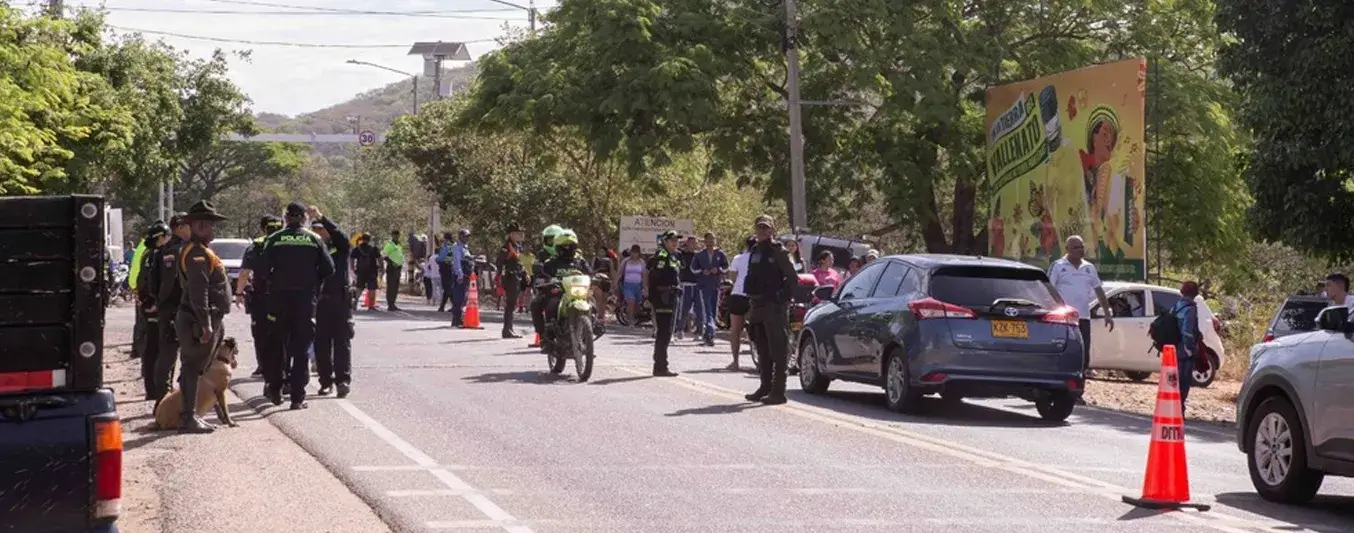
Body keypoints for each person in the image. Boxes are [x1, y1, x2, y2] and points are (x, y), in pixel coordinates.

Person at [254, 202, 335, 409]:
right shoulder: (314, 239)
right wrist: (312, 280)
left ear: (286, 218)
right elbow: (329, 268)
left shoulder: (274, 238)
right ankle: (297, 398)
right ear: (304, 219)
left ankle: (275, 391)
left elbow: (261, 269)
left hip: (279, 301)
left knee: (277, 346)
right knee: (301, 349)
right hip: (305, 302)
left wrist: (276, 280)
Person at [172, 201, 232, 433]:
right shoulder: (197, 253)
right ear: (198, 225)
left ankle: (191, 414)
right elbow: (199, 291)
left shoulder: (201, 250)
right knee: (191, 367)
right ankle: (187, 417)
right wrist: (206, 324)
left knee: (195, 368)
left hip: (203, 317)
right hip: (197, 320)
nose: (211, 229)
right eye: (207, 225)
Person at [743, 215, 799, 404]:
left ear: (772, 230)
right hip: (757, 305)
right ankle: (765, 387)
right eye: (760, 228)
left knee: (778, 348)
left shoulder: (779, 251)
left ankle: (778, 391)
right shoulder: (755, 250)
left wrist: (782, 298)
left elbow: (792, 278)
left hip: (774, 306)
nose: (762, 231)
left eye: (766, 228)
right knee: (762, 348)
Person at [1047, 235, 1114, 377]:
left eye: (1081, 247)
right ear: (1067, 249)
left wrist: (1107, 313)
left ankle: (1080, 383)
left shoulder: (1089, 268)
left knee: (1083, 353)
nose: (1080, 250)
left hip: (1083, 317)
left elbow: (1099, 291)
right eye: (1076, 247)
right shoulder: (1058, 266)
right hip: (1063, 318)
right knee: (1063, 350)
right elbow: (1049, 291)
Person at [309, 206, 353, 398]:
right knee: (321, 344)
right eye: (315, 230)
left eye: (322, 229)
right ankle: (325, 382)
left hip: (340, 301)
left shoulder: (340, 248)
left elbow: (340, 236)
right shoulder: (312, 251)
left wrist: (321, 217)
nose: (319, 233)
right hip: (319, 302)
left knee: (342, 342)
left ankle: (343, 381)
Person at [236, 215, 284, 378]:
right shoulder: (287, 242)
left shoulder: (256, 245)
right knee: (282, 331)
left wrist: (239, 293)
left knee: (260, 332)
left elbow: (244, 272)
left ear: (264, 229)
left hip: (261, 295)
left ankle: (263, 366)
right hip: (284, 295)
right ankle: (282, 367)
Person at [150, 214, 191, 405]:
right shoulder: (176, 250)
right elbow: (168, 282)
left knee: (171, 354)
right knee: (170, 355)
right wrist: (163, 302)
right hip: (175, 308)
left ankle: (169, 397)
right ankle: (164, 400)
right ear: (180, 227)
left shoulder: (166, 248)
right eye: (189, 225)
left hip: (172, 308)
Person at [530, 229, 593, 350]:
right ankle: (545, 337)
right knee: (538, 303)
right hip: (559, 292)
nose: (568, 249)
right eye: (565, 246)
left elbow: (589, 273)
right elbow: (542, 276)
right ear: (558, 247)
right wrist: (545, 281)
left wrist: (598, 278)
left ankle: (590, 333)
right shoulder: (551, 262)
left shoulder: (580, 261)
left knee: (592, 303)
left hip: (578, 293)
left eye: (571, 246)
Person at [136, 221, 171, 400]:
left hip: (147, 306)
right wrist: (155, 302)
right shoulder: (159, 255)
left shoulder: (146, 254)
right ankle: (159, 390)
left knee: (151, 348)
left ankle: (151, 389)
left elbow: (140, 279)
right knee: (161, 350)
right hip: (155, 307)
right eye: (167, 237)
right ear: (160, 238)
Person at [645, 231, 683, 377]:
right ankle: (660, 366)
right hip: (663, 297)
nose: (675, 243)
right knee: (664, 332)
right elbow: (656, 277)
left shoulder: (673, 256)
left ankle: (661, 365)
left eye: (676, 240)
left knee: (666, 332)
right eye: (672, 240)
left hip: (670, 296)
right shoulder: (662, 256)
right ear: (665, 241)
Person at [528, 225, 565, 347]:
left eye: (555, 240)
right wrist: (542, 278)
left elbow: (583, 266)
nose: (552, 242)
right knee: (535, 304)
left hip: (570, 288)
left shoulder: (570, 252)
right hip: (550, 287)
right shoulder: (542, 254)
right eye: (550, 240)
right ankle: (543, 336)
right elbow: (537, 271)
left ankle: (586, 338)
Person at [690, 232, 729, 347]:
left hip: (716, 286)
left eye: (713, 239)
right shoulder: (699, 255)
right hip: (703, 286)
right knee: (707, 310)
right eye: (709, 239)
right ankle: (710, 334)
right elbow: (693, 269)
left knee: (713, 310)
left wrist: (719, 270)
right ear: (705, 241)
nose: (711, 241)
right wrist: (703, 271)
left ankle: (708, 335)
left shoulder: (720, 254)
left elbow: (726, 267)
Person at [724, 236, 755, 371]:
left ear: (746, 246)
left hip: (738, 295)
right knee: (758, 328)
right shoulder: (762, 259)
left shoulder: (738, 258)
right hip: (754, 296)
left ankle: (735, 362)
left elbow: (732, 279)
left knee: (735, 330)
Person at [1172, 281, 1202, 414]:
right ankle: (1179, 409)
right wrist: (1191, 349)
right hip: (1185, 351)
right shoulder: (1190, 309)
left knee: (1174, 381)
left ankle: (1174, 407)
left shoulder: (1177, 305)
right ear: (1195, 293)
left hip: (1174, 349)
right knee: (1184, 382)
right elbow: (1187, 332)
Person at [497, 225, 526, 338]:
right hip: (510, 277)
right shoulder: (506, 247)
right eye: (518, 233)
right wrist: (501, 276)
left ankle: (510, 328)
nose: (520, 235)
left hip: (516, 276)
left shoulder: (517, 246)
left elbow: (519, 262)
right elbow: (500, 262)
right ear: (511, 234)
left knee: (513, 304)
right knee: (510, 304)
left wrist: (525, 273)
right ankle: (506, 330)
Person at [351, 234, 380, 310]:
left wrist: (352, 268)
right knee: (372, 288)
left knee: (359, 287)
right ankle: (371, 306)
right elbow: (379, 258)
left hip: (361, 271)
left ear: (362, 239)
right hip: (372, 271)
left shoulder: (357, 249)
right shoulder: (373, 249)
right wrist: (382, 268)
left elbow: (352, 258)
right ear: (369, 240)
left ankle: (355, 302)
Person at [451, 229, 473, 327]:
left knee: (464, 297)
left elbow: (467, 258)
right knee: (458, 298)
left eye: (468, 236)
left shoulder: (465, 247)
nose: (466, 238)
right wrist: (460, 274)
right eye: (464, 236)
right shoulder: (457, 247)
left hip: (466, 275)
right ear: (460, 236)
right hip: (460, 275)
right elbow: (457, 261)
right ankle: (456, 320)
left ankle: (459, 319)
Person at [619, 244, 646, 324]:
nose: (634, 254)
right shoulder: (626, 261)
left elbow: (644, 275)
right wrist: (615, 283)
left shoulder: (641, 262)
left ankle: (636, 317)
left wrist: (645, 286)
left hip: (638, 285)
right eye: (633, 252)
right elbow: (620, 273)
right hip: (627, 285)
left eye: (636, 252)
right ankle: (630, 322)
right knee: (631, 302)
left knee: (637, 304)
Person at [382, 230, 404, 311]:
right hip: (391, 268)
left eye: (397, 235)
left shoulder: (399, 244)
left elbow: (399, 255)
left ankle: (393, 303)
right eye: (395, 235)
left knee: (395, 287)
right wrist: (392, 263)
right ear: (392, 235)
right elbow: (384, 255)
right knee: (391, 286)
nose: (396, 237)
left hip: (398, 268)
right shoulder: (389, 244)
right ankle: (390, 304)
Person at [436, 232, 455, 312]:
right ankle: (443, 306)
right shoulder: (453, 246)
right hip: (450, 267)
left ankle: (454, 305)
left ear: (446, 238)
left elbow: (442, 257)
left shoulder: (447, 246)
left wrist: (437, 259)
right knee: (447, 287)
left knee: (447, 287)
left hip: (445, 267)